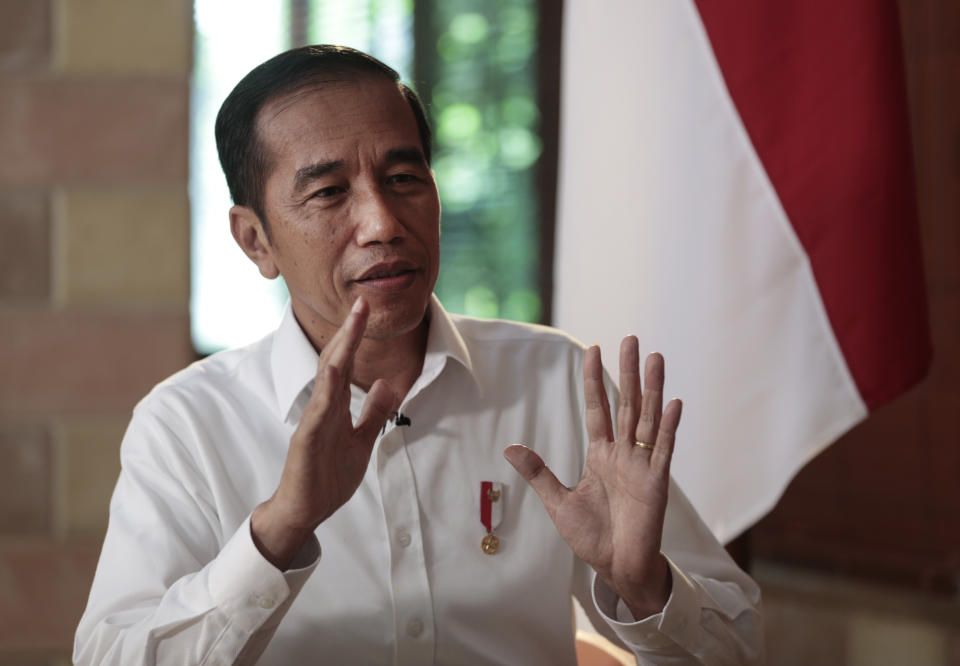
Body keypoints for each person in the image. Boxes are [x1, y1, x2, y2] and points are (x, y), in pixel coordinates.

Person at [74, 45, 763, 665]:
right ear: (255, 241)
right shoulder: (188, 425)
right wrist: (278, 529)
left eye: (404, 178)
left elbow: (741, 649)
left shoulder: (556, 383)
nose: (382, 223)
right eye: (328, 192)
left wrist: (643, 590)